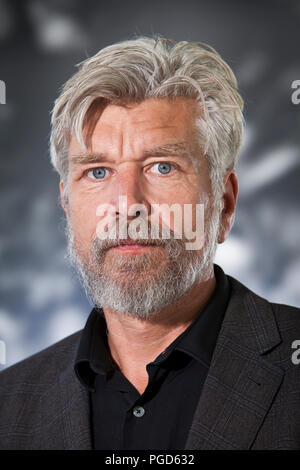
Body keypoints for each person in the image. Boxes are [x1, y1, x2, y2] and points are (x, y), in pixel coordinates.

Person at [0, 37, 299, 450]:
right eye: (98, 172)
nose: (127, 206)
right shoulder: (8, 403)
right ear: (66, 204)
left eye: (163, 167)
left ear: (224, 203)